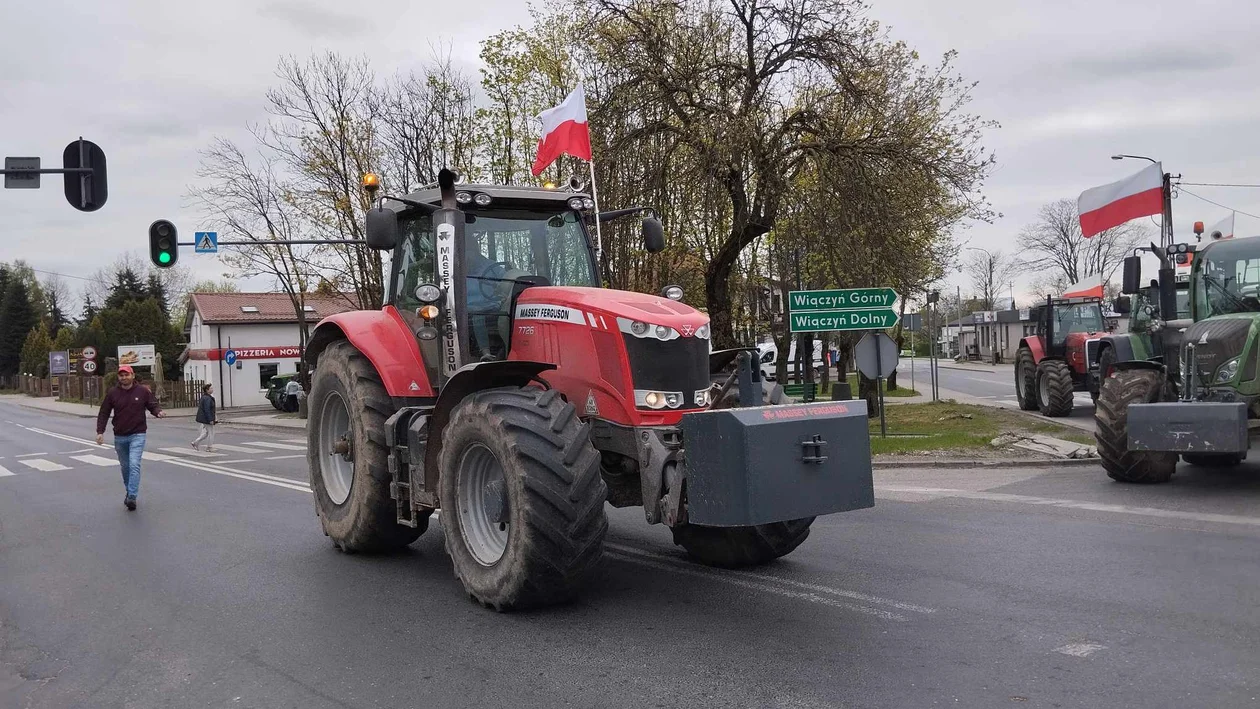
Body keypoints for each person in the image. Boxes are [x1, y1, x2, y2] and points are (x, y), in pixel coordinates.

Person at [95, 365, 165, 511]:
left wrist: (158, 412)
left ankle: (132, 496)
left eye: (126, 375)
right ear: (118, 377)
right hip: (120, 436)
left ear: (133, 376)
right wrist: (100, 431)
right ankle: (129, 490)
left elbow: (152, 405)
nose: (124, 377)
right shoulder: (113, 393)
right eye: (121, 375)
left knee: (134, 464)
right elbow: (104, 413)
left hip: (137, 434)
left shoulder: (143, 391)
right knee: (125, 467)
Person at [192, 383, 217, 451]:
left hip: (204, 418)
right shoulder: (207, 398)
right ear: (207, 390)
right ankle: (209, 447)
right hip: (206, 419)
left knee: (205, 433)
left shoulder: (206, 397)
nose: (212, 389)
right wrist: (210, 419)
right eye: (211, 388)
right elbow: (207, 410)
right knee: (211, 432)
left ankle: (195, 443)